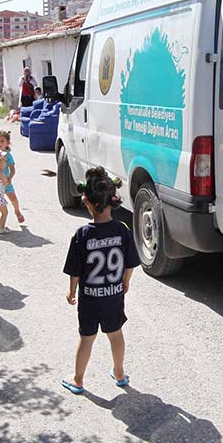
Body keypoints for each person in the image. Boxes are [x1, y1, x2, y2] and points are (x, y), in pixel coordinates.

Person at [61, 168, 140, 394]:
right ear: (112, 201)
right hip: (114, 295)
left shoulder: (82, 234)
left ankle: (78, 379)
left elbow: (75, 270)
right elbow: (130, 262)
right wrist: (125, 281)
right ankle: (119, 373)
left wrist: (71, 291)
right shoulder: (122, 230)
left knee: (86, 338)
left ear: (86, 201)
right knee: (115, 334)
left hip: (90, 298)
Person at [0, 128, 26, 223]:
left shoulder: (8, 155)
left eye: (2, 141)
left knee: (13, 198)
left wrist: (9, 178)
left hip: (5, 182)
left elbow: (12, 169)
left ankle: (17, 211)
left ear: (7, 143)